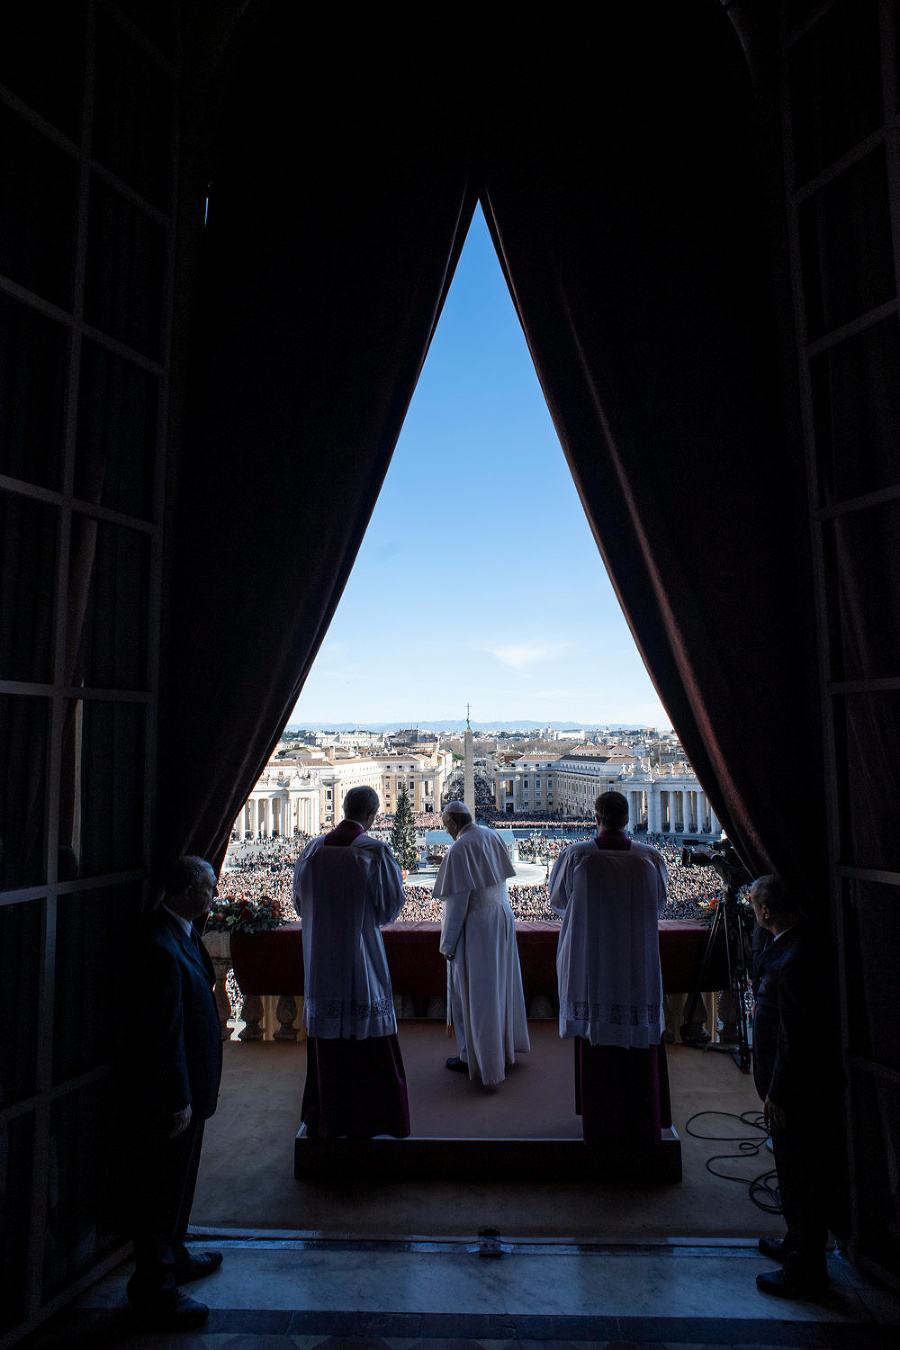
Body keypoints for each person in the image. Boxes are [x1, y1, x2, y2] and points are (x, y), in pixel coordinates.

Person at [125, 856, 224, 1331]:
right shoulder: (158, 944)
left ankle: (177, 1253)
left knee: (181, 1184)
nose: (215, 894)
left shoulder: (181, 931)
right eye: (208, 887)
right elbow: (163, 1035)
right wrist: (178, 1097)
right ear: (185, 890)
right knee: (160, 1191)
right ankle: (154, 1290)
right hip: (175, 1095)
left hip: (195, 1085)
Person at [549, 791, 671, 1146]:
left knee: (596, 1041)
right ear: (628, 817)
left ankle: (601, 1127)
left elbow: (558, 902)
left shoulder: (576, 856)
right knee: (637, 1042)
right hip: (636, 963)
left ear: (596, 817)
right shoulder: (650, 858)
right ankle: (642, 1126)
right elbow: (660, 904)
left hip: (593, 963)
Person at [293, 785, 410, 1139]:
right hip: (360, 960)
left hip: (322, 960)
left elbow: (300, 904)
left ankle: (328, 1116)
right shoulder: (373, 851)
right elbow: (390, 909)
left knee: (330, 1048)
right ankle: (370, 1120)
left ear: (343, 808)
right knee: (367, 1042)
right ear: (373, 816)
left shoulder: (312, 850)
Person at [750, 874, 847, 1299]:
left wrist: (778, 1091)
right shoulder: (795, 943)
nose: (751, 910)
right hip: (793, 1084)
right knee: (792, 1174)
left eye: (753, 904)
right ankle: (796, 1242)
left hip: (794, 1090)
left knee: (801, 1175)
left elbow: (793, 1035)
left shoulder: (795, 958)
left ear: (766, 911)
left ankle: (806, 1270)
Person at [433, 801, 530, 1084]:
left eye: (444, 825)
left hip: (476, 927)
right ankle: (502, 1050)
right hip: (500, 919)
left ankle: (473, 1057)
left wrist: (447, 945)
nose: (446, 831)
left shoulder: (459, 848)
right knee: (499, 989)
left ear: (452, 824)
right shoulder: (490, 835)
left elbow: (456, 903)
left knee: (475, 997)